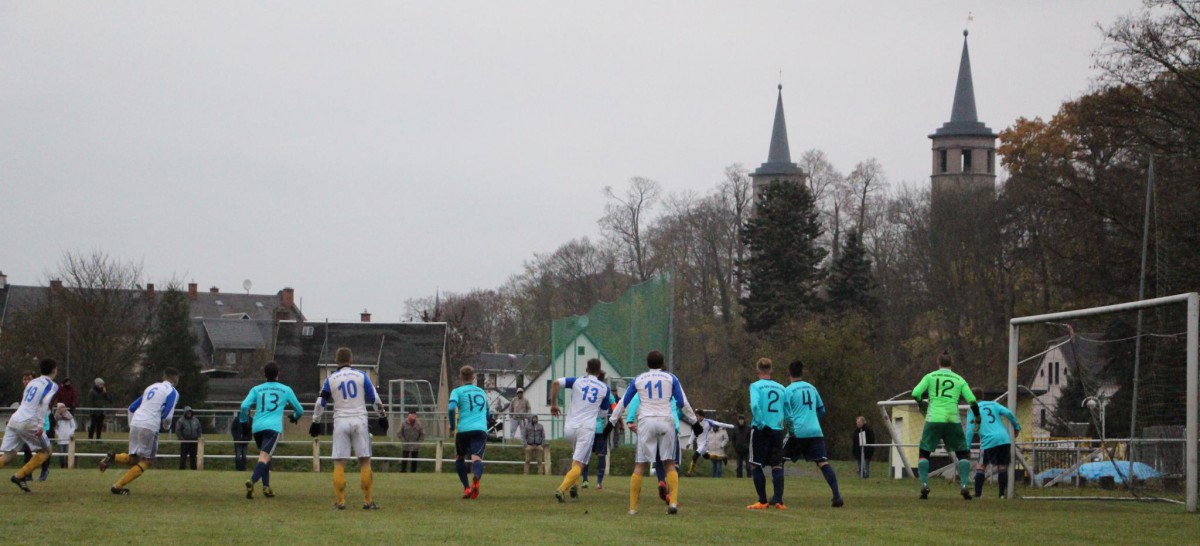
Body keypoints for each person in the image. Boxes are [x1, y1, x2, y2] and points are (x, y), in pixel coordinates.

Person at [609, 350, 703, 516]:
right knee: (669, 463)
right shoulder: (671, 378)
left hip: (646, 421)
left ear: (647, 364)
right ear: (662, 363)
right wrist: (695, 423)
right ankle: (673, 503)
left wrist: (612, 421)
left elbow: (624, 402)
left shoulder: (639, 379)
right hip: (666, 421)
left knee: (640, 466)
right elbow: (682, 402)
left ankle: (632, 508)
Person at [309, 348, 385, 510]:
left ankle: (341, 501)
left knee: (339, 463)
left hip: (341, 422)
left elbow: (320, 402)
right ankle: (367, 501)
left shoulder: (331, 379)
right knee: (364, 461)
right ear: (351, 360)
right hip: (359, 420)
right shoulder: (361, 376)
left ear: (336, 361)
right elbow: (374, 398)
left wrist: (316, 421)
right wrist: (382, 416)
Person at [98, 368, 181, 495]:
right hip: (150, 425)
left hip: (136, 421)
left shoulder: (151, 387)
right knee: (148, 461)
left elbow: (131, 408)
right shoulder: (173, 392)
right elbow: (169, 415)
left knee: (133, 459)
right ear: (176, 380)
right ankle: (118, 486)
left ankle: (113, 457)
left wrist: (132, 425)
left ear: (163, 376)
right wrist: (166, 426)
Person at [912, 350, 980, 501]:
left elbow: (915, 393)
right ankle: (963, 486)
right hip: (952, 420)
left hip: (933, 418)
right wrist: (977, 416)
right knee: (962, 453)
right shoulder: (959, 379)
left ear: (938, 363)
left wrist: (920, 402)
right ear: (951, 363)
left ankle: (924, 484)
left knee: (924, 454)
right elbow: (972, 400)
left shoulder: (930, 377)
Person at [781, 359, 843, 508]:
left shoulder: (787, 391)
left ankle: (777, 497)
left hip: (797, 432)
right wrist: (812, 420)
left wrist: (789, 427)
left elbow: (785, 414)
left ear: (788, 373)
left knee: (778, 461)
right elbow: (822, 410)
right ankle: (837, 496)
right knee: (823, 462)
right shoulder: (812, 388)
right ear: (802, 372)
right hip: (815, 431)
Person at [549, 358, 612, 502]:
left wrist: (553, 404)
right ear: (599, 370)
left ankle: (574, 486)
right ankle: (562, 488)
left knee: (576, 457)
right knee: (580, 463)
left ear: (587, 369)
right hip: (586, 428)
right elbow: (603, 413)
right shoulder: (604, 388)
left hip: (570, 427)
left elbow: (556, 383)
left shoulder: (577, 381)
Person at [240, 361, 303, 499]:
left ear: (265, 374)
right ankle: (252, 481)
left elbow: (244, 406)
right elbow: (300, 410)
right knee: (264, 456)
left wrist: (244, 422)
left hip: (257, 427)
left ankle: (266, 487)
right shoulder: (285, 389)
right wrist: (294, 417)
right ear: (278, 374)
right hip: (273, 428)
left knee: (266, 456)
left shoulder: (257, 389)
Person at [0, 359, 58, 492]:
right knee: (47, 451)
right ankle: (19, 476)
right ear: (54, 369)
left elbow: (25, 401)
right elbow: (43, 403)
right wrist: (41, 424)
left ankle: (20, 476)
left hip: (16, 419)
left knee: (7, 456)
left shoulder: (33, 382)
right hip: (29, 421)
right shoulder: (52, 385)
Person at [745, 357, 787, 510]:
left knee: (755, 465)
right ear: (771, 370)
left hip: (761, 429)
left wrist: (762, 423)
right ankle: (778, 500)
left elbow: (755, 405)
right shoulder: (781, 388)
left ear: (757, 370)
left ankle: (762, 500)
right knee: (777, 465)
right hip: (777, 429)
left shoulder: (755, 386)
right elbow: (787, 409)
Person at [965, 388, 1021, 499]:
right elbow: (1008, 413)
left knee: (981, 466)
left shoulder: (972, 409)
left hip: (988, 440)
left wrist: (967, 447)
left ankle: (977, 494)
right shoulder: (994, 404)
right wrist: (1017, 426)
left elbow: (970, 429)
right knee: (1002, 466)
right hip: (1004, 439)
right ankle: (1001, 495)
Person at [448, 365, 489, 499]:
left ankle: (466, 488)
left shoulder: (457, 391)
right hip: (480, 429)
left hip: (463, 429)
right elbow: (488, 412)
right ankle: (476, 478)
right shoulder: (482, 392)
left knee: (460, 457)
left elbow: (451, 408)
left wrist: (453, 426)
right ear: (473, 377)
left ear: (461, 377)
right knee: (476, 458)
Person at [581, 371, 616, 490]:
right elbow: (614, 407)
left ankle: (585, 480)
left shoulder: (587, 389)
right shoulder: (606, 390)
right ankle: (599, 483)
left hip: (587, 427)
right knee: (601, 456)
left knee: (585, 455)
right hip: (600, 429)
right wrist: (614, 420)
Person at [686, 409, 735, 476]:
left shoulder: (708, 422)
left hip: (705, 444)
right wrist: (689, 442)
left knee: (694, 457)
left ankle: (689, 473)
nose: (696, 417)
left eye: (697, 416)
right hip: (699, 444)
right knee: (706, 456)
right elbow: (693, 433)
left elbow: (720, 424)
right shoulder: (696, 423)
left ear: (701, 416)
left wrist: (732, 426)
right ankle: (723, 457)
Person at [53, 403, 75, 469]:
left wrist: (70, 433)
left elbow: (73, 425)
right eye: (60, 407)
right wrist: (58, 433)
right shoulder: (56, 416)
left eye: (63, 407)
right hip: (60, 438)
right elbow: (55, 427)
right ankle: (62, 466)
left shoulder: (69, 415)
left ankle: (66, 465)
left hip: (68, 438)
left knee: (67, 453)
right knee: (61, 453)